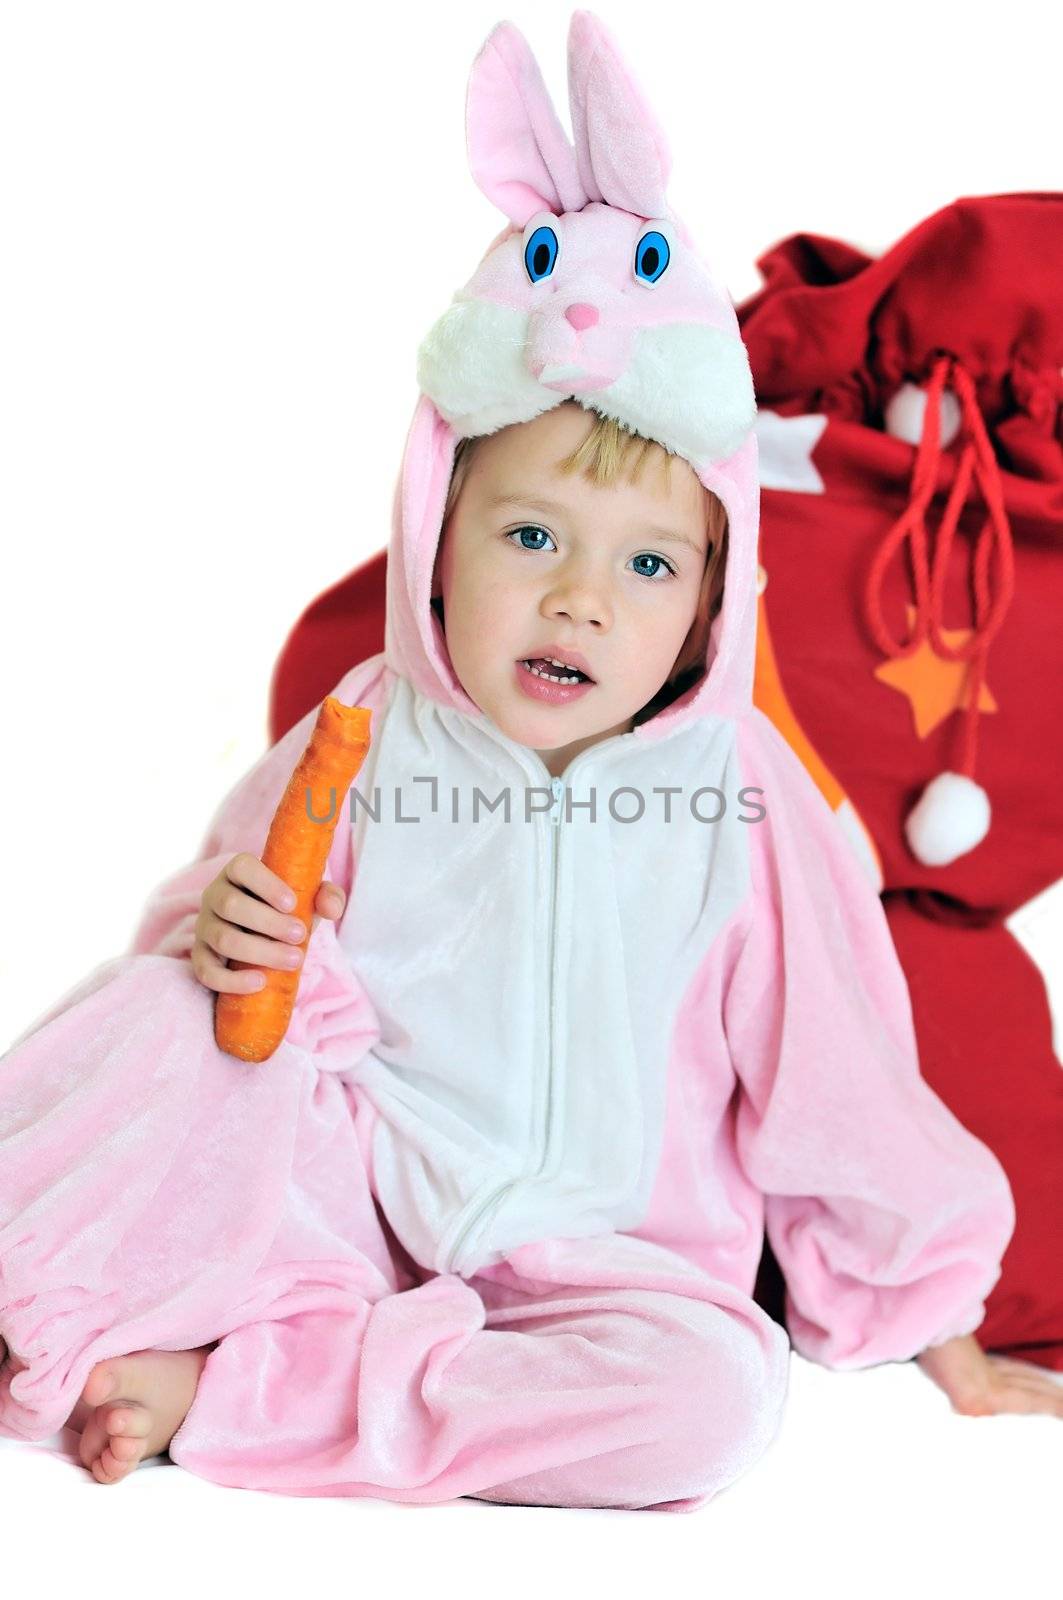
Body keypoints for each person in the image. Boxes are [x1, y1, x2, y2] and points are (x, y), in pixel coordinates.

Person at [0, 13, 1042, 1513]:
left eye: (645, 566)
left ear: (709, 596)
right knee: (167, 1014)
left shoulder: (741, 801)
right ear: (436, 538)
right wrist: (231, 932)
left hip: (615, 1276)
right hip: (343, 1219)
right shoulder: (363, 738)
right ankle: (148, 1308)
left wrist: (932, 1318)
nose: (579, 601)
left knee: (715, 1406)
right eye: (532, 536)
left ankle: (236, 1396)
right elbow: (237, 987)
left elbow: (842, 1080)